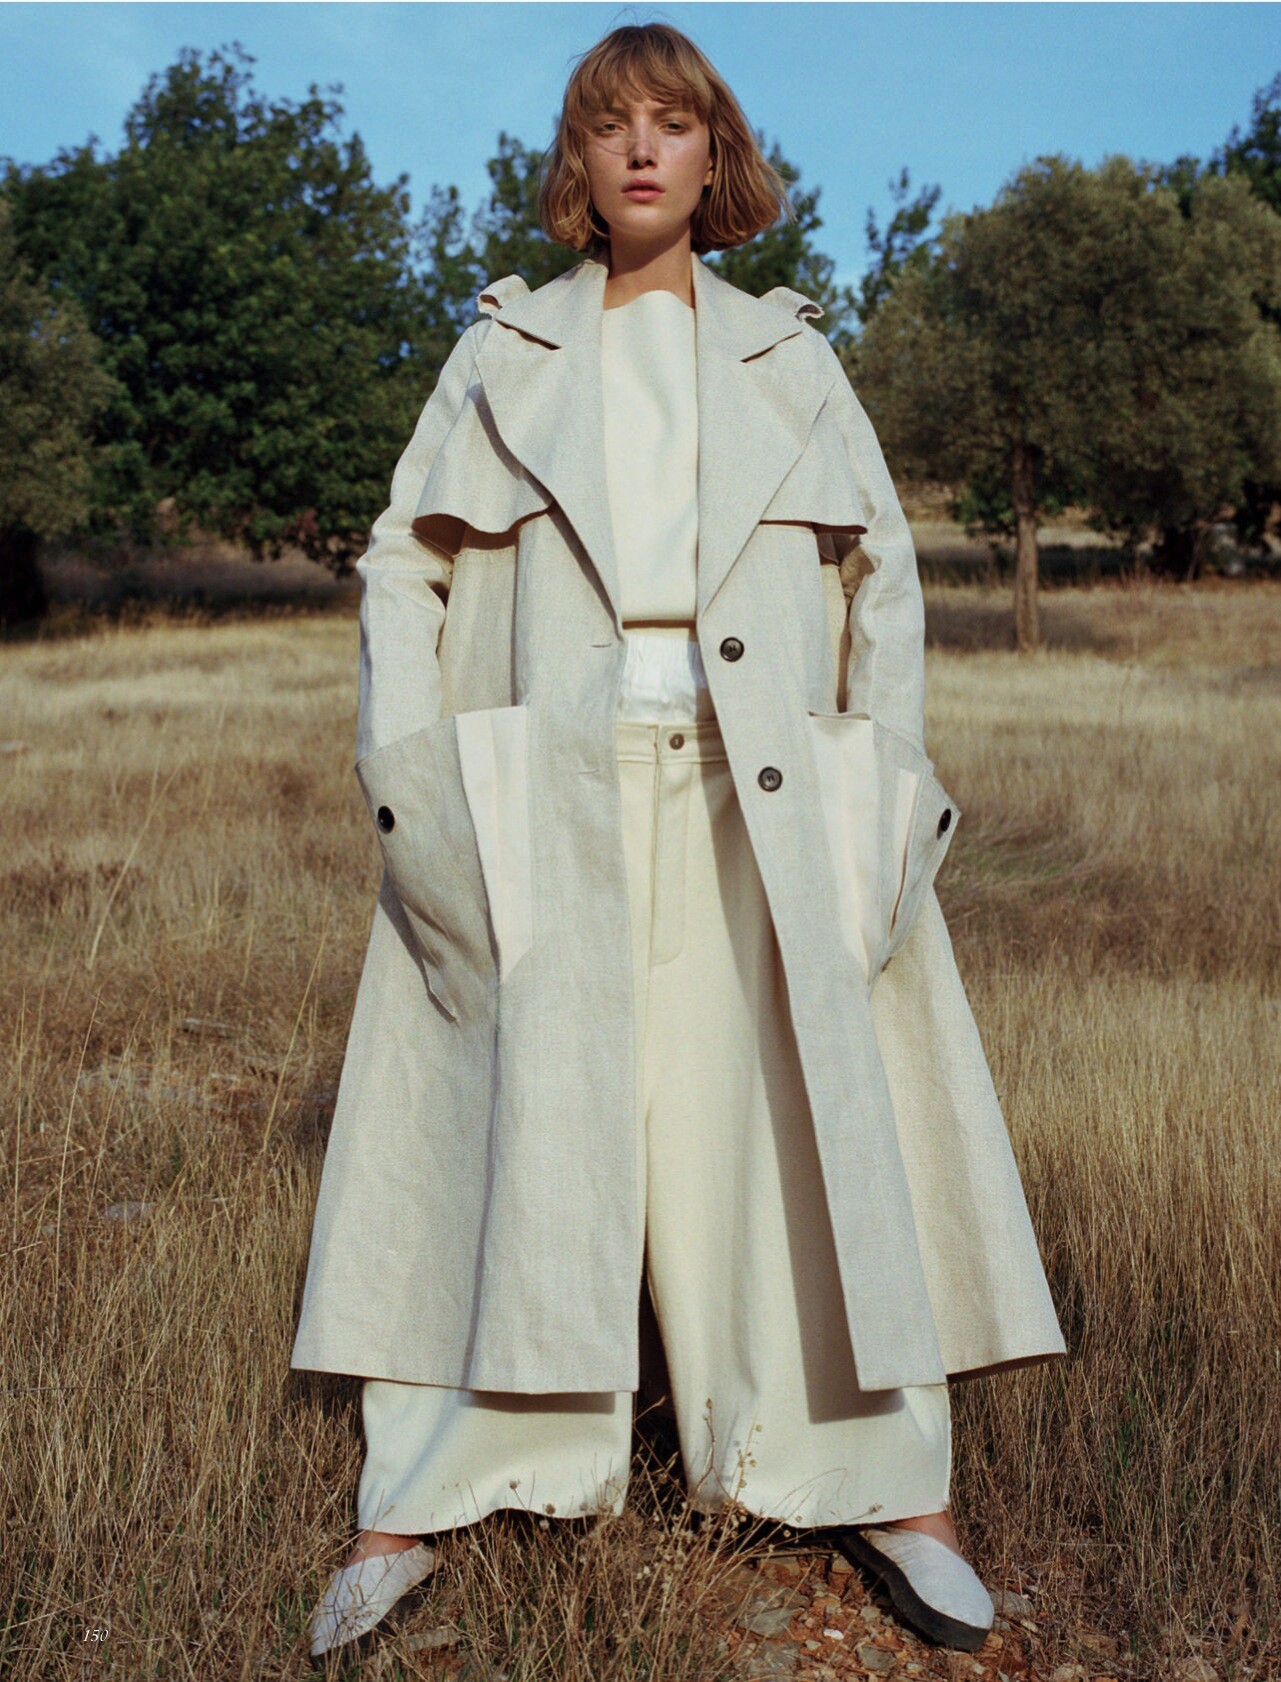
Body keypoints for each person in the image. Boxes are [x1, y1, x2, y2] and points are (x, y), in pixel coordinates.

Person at [299, 21, 1066, 1667]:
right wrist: (411, 773)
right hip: (543, 786)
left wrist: (884, 779)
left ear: (717, 157)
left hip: (759, 789)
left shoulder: (790, 353)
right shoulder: (501, 347)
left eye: (673, 122)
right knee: (501, 1124)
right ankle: (415, 1497)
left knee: (793, 1127)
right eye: (609, 126)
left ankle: (885, 1487)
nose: (641, 149)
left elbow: (884, 580)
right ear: (576, 165)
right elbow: (398, 565)